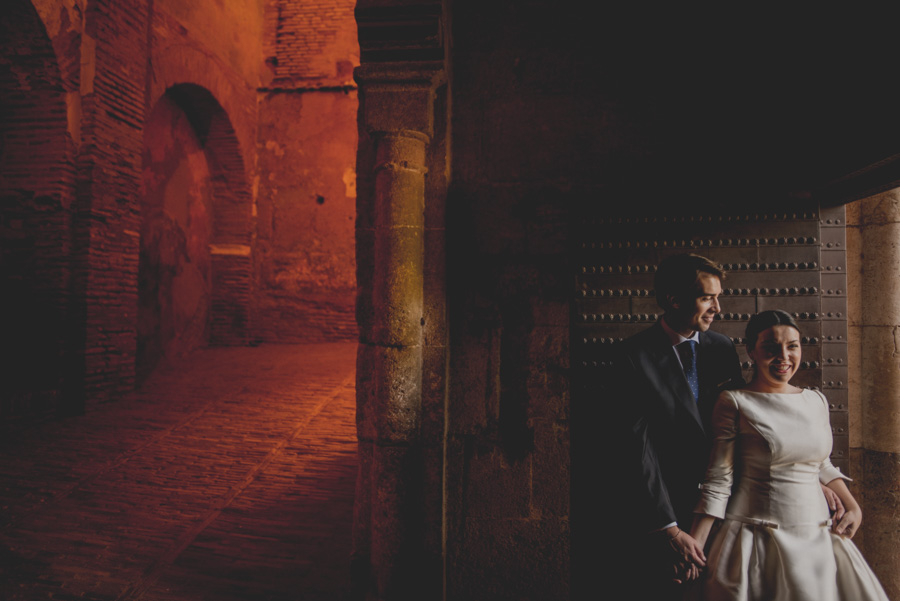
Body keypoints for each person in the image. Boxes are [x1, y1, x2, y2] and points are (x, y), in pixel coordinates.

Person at [687, 310, 889, 600]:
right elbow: (719, 479)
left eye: (792, 346)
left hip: (818, 537)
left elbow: (821, 463)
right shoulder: (734, 401)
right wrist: (695, 545)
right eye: (771, 347)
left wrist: (853, 505)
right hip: (757, 538)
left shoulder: (815, 400)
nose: (783, 356)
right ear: (751, 351)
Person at [614, 253, 745, 598]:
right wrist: (668, 529)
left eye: (718, 296)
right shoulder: (633, 356)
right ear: (673, 299)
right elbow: (637, 447)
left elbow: (746, 426)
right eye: (707, 297)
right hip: (662, 516)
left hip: (724, 510)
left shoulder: (722, 348)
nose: (718, 307)